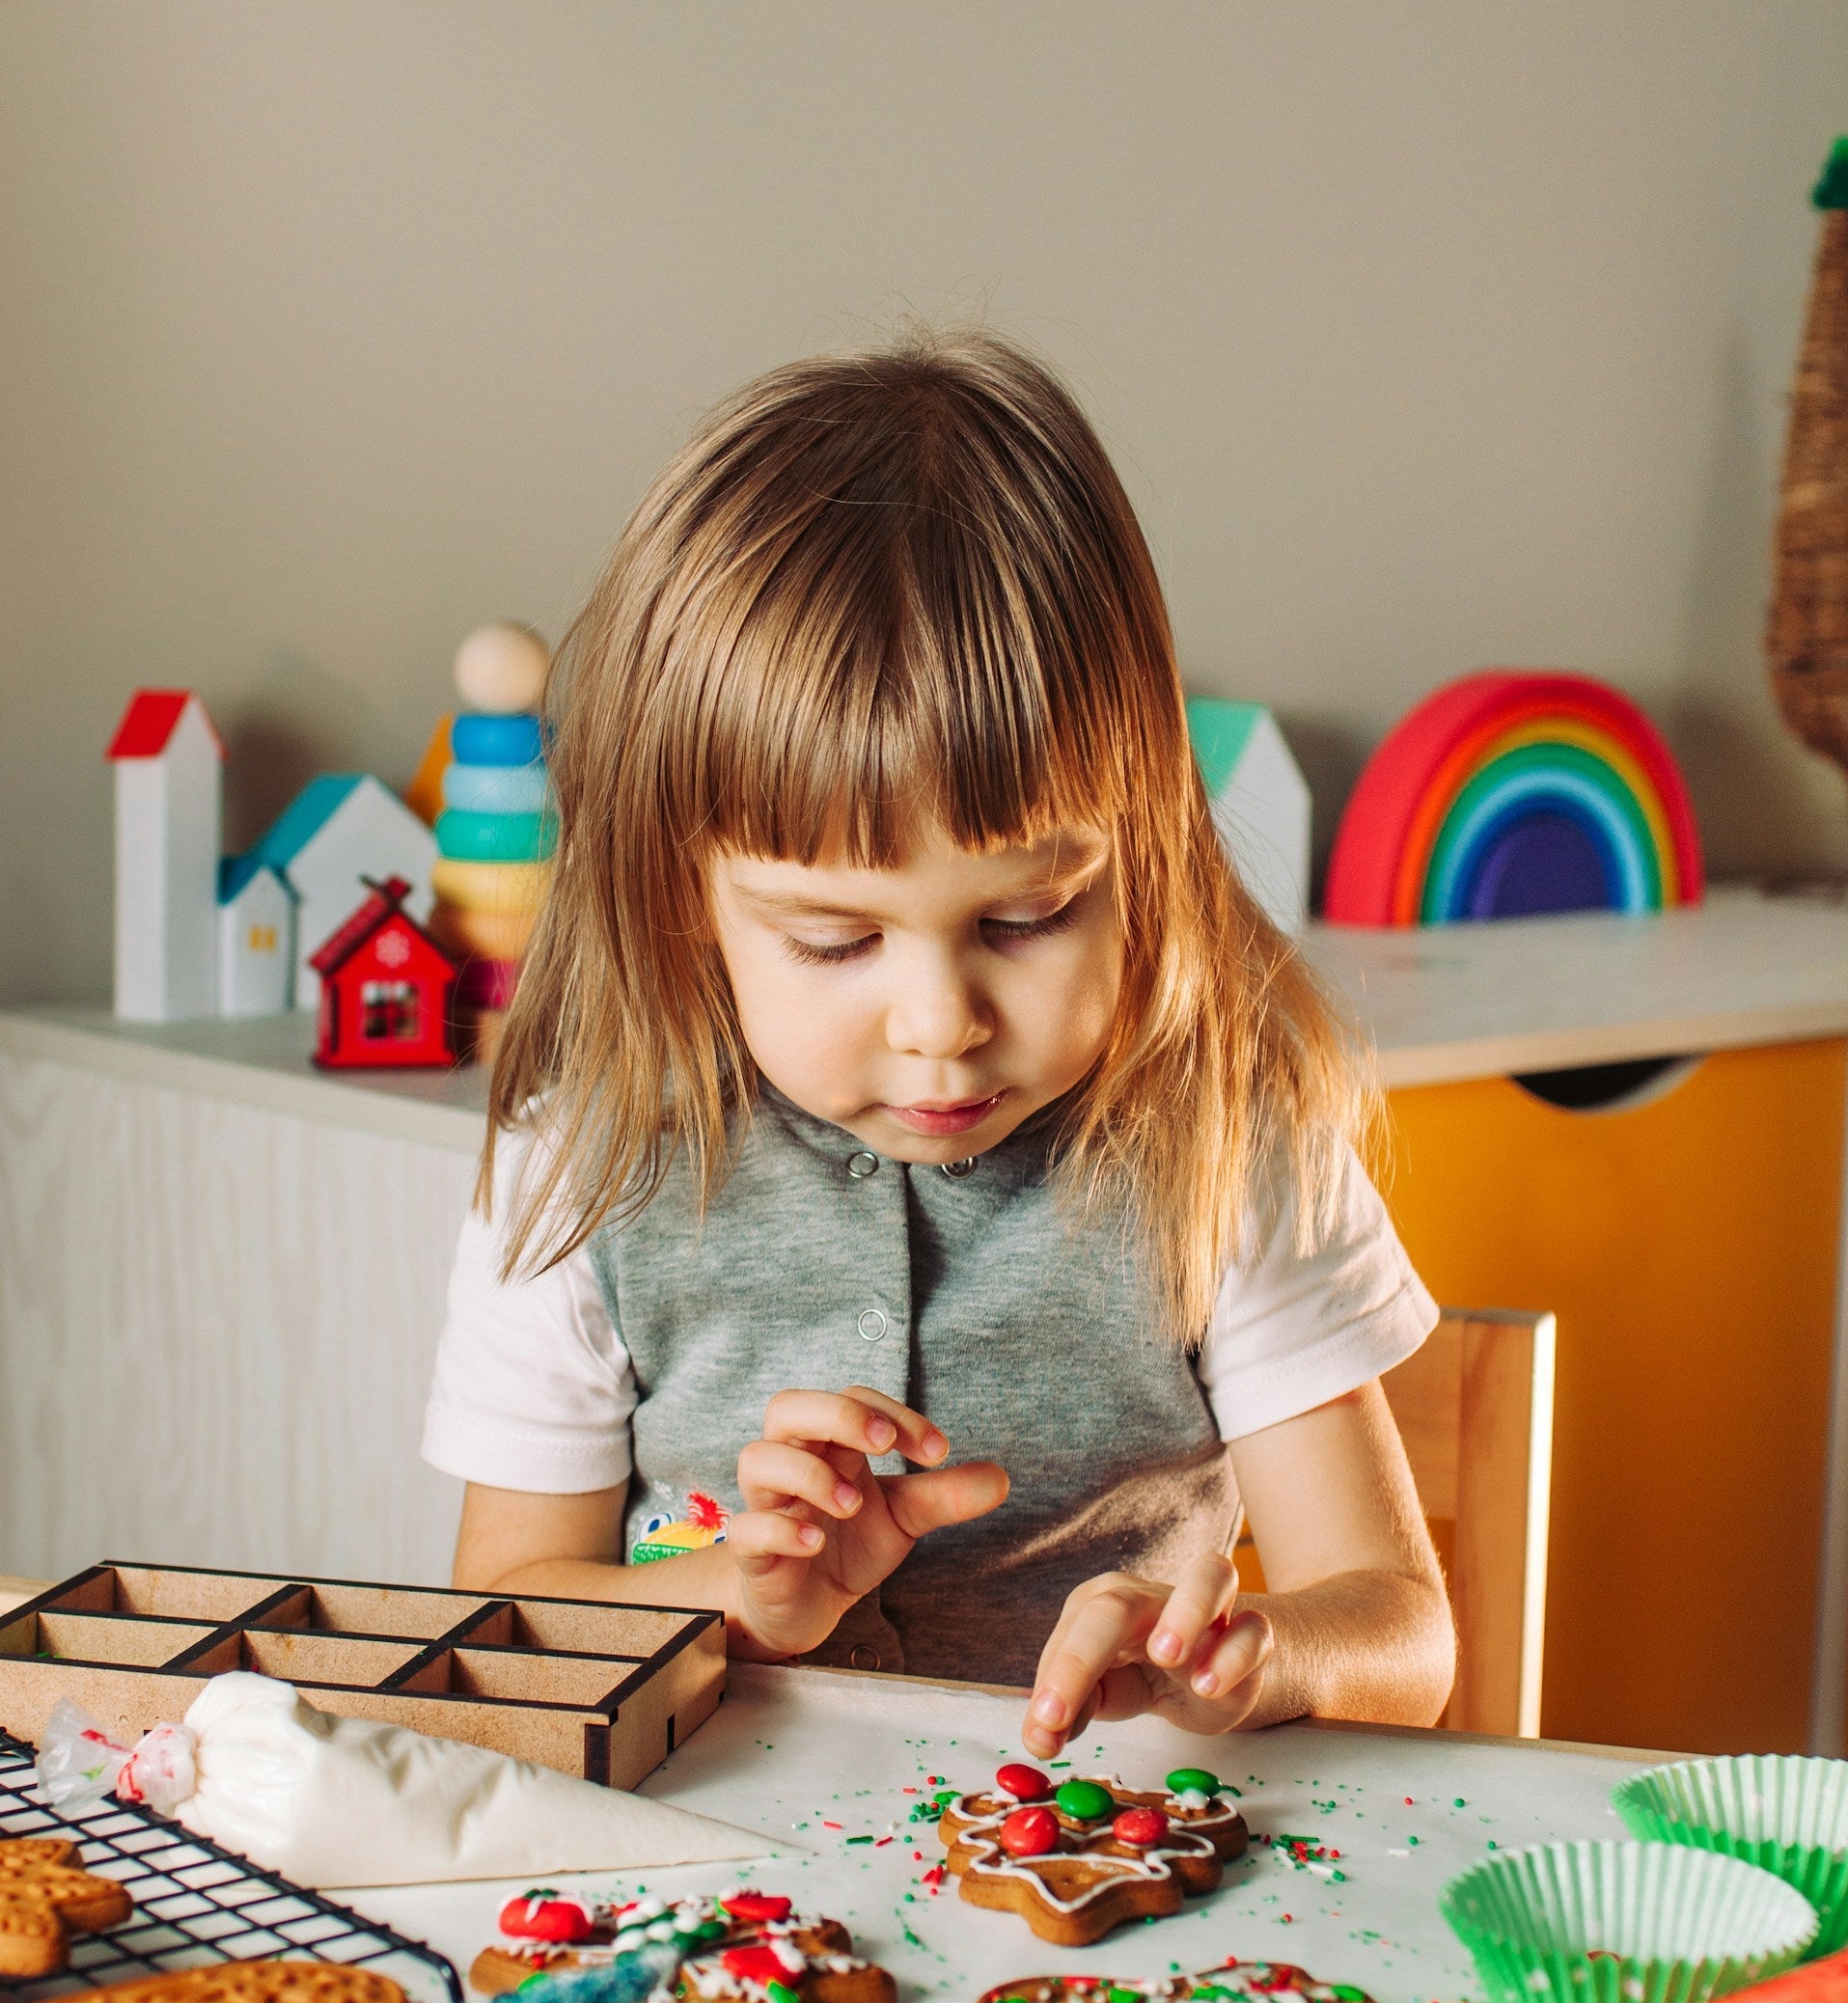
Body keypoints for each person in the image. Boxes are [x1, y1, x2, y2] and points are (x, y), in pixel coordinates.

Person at [425, 333, 1454, 1759]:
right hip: (703, 1891)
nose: (940, 1027)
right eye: (836, 942)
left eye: (1029, 917)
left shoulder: (1223, 1137)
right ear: (684, 895)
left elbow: (1404, 1634)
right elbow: (501, 1625)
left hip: (1100, 1889)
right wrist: (738, 1598)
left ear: (1140, 853)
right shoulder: (584, 1163)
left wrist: (1254, 1657)